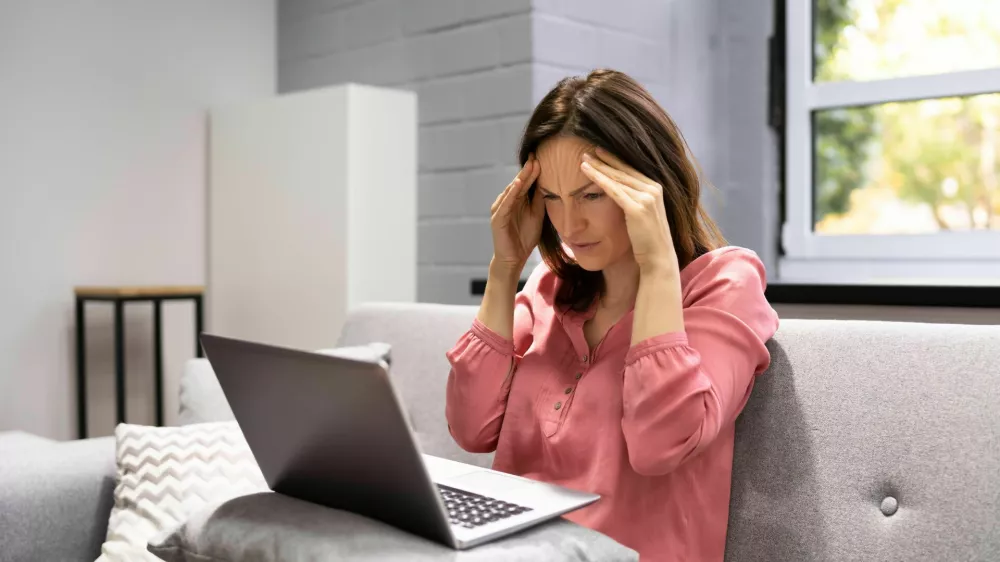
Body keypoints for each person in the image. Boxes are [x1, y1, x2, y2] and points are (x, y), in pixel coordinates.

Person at [444, 69, 780, 561]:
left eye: (591, 195)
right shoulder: (547, 288)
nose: (569, 224)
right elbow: (470, 428)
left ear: (650, 184)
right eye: (551, 199)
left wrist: (659, 262)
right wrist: (505, 268)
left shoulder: (725, 286)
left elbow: (660, 444)